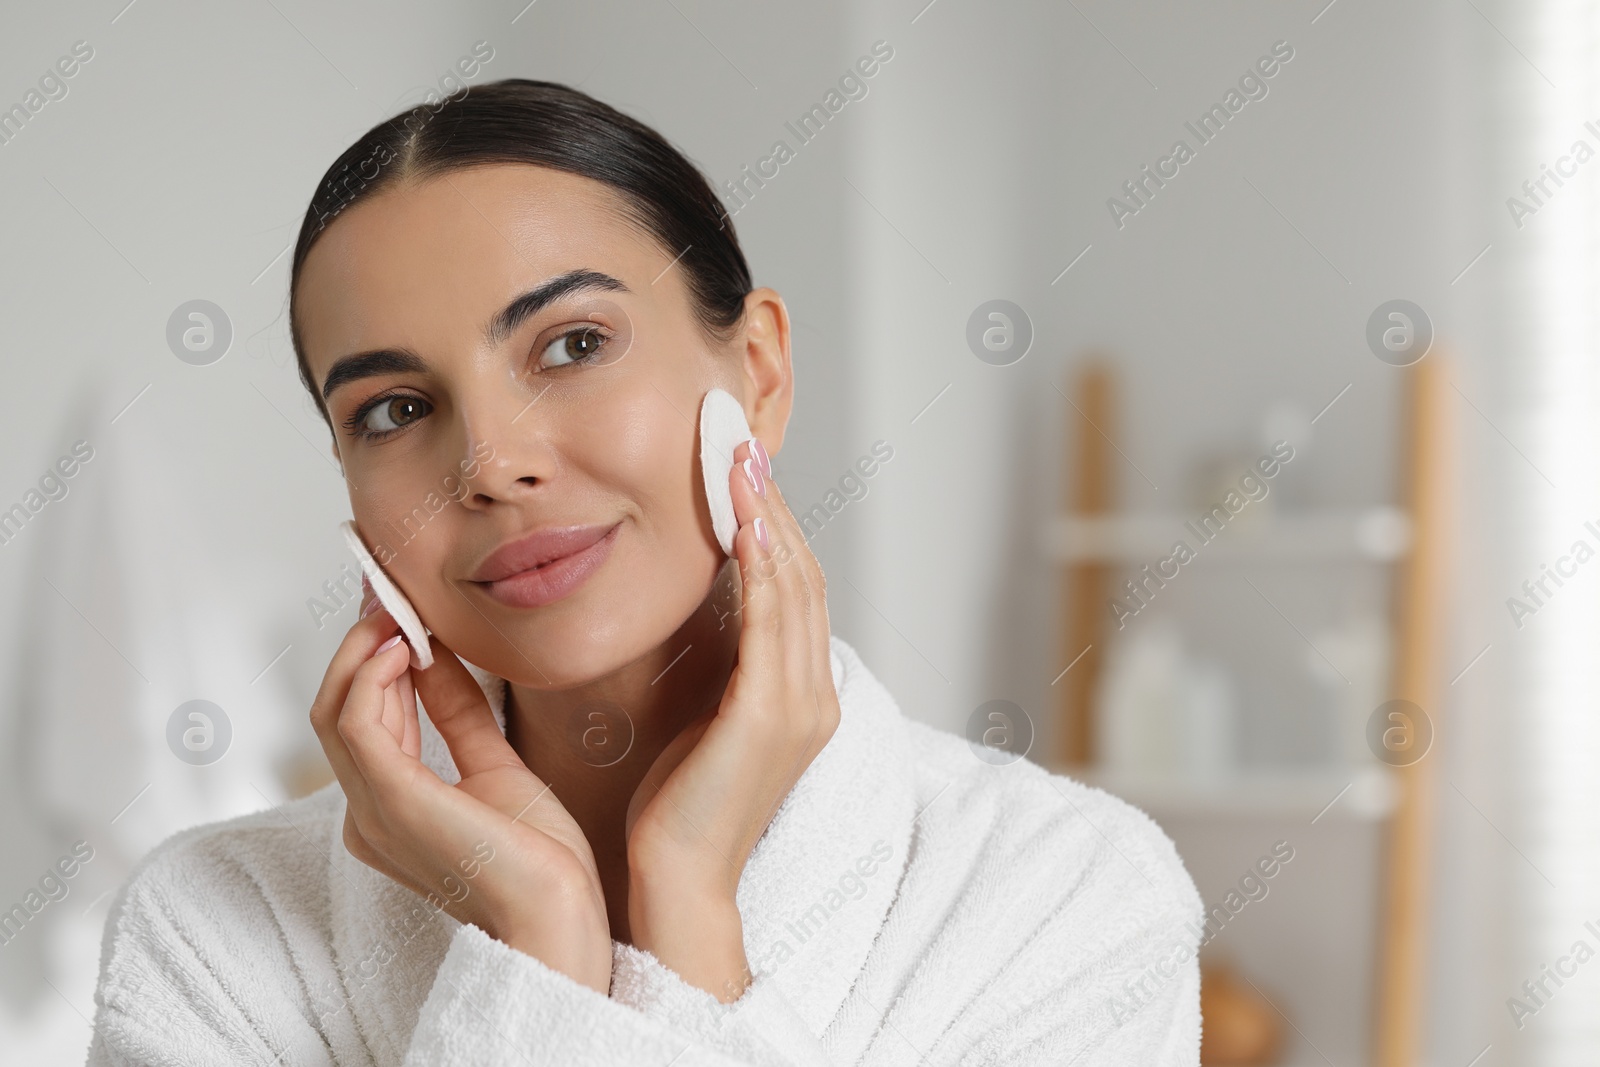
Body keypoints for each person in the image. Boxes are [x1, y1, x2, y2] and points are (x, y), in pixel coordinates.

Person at [85, 78, 1203, 1065]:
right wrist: (541, 935)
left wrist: (689, 906)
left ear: (758, 371)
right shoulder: (216, 927)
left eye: (572, 344)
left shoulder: (1064, 890)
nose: (491, 464)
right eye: (395, 409)